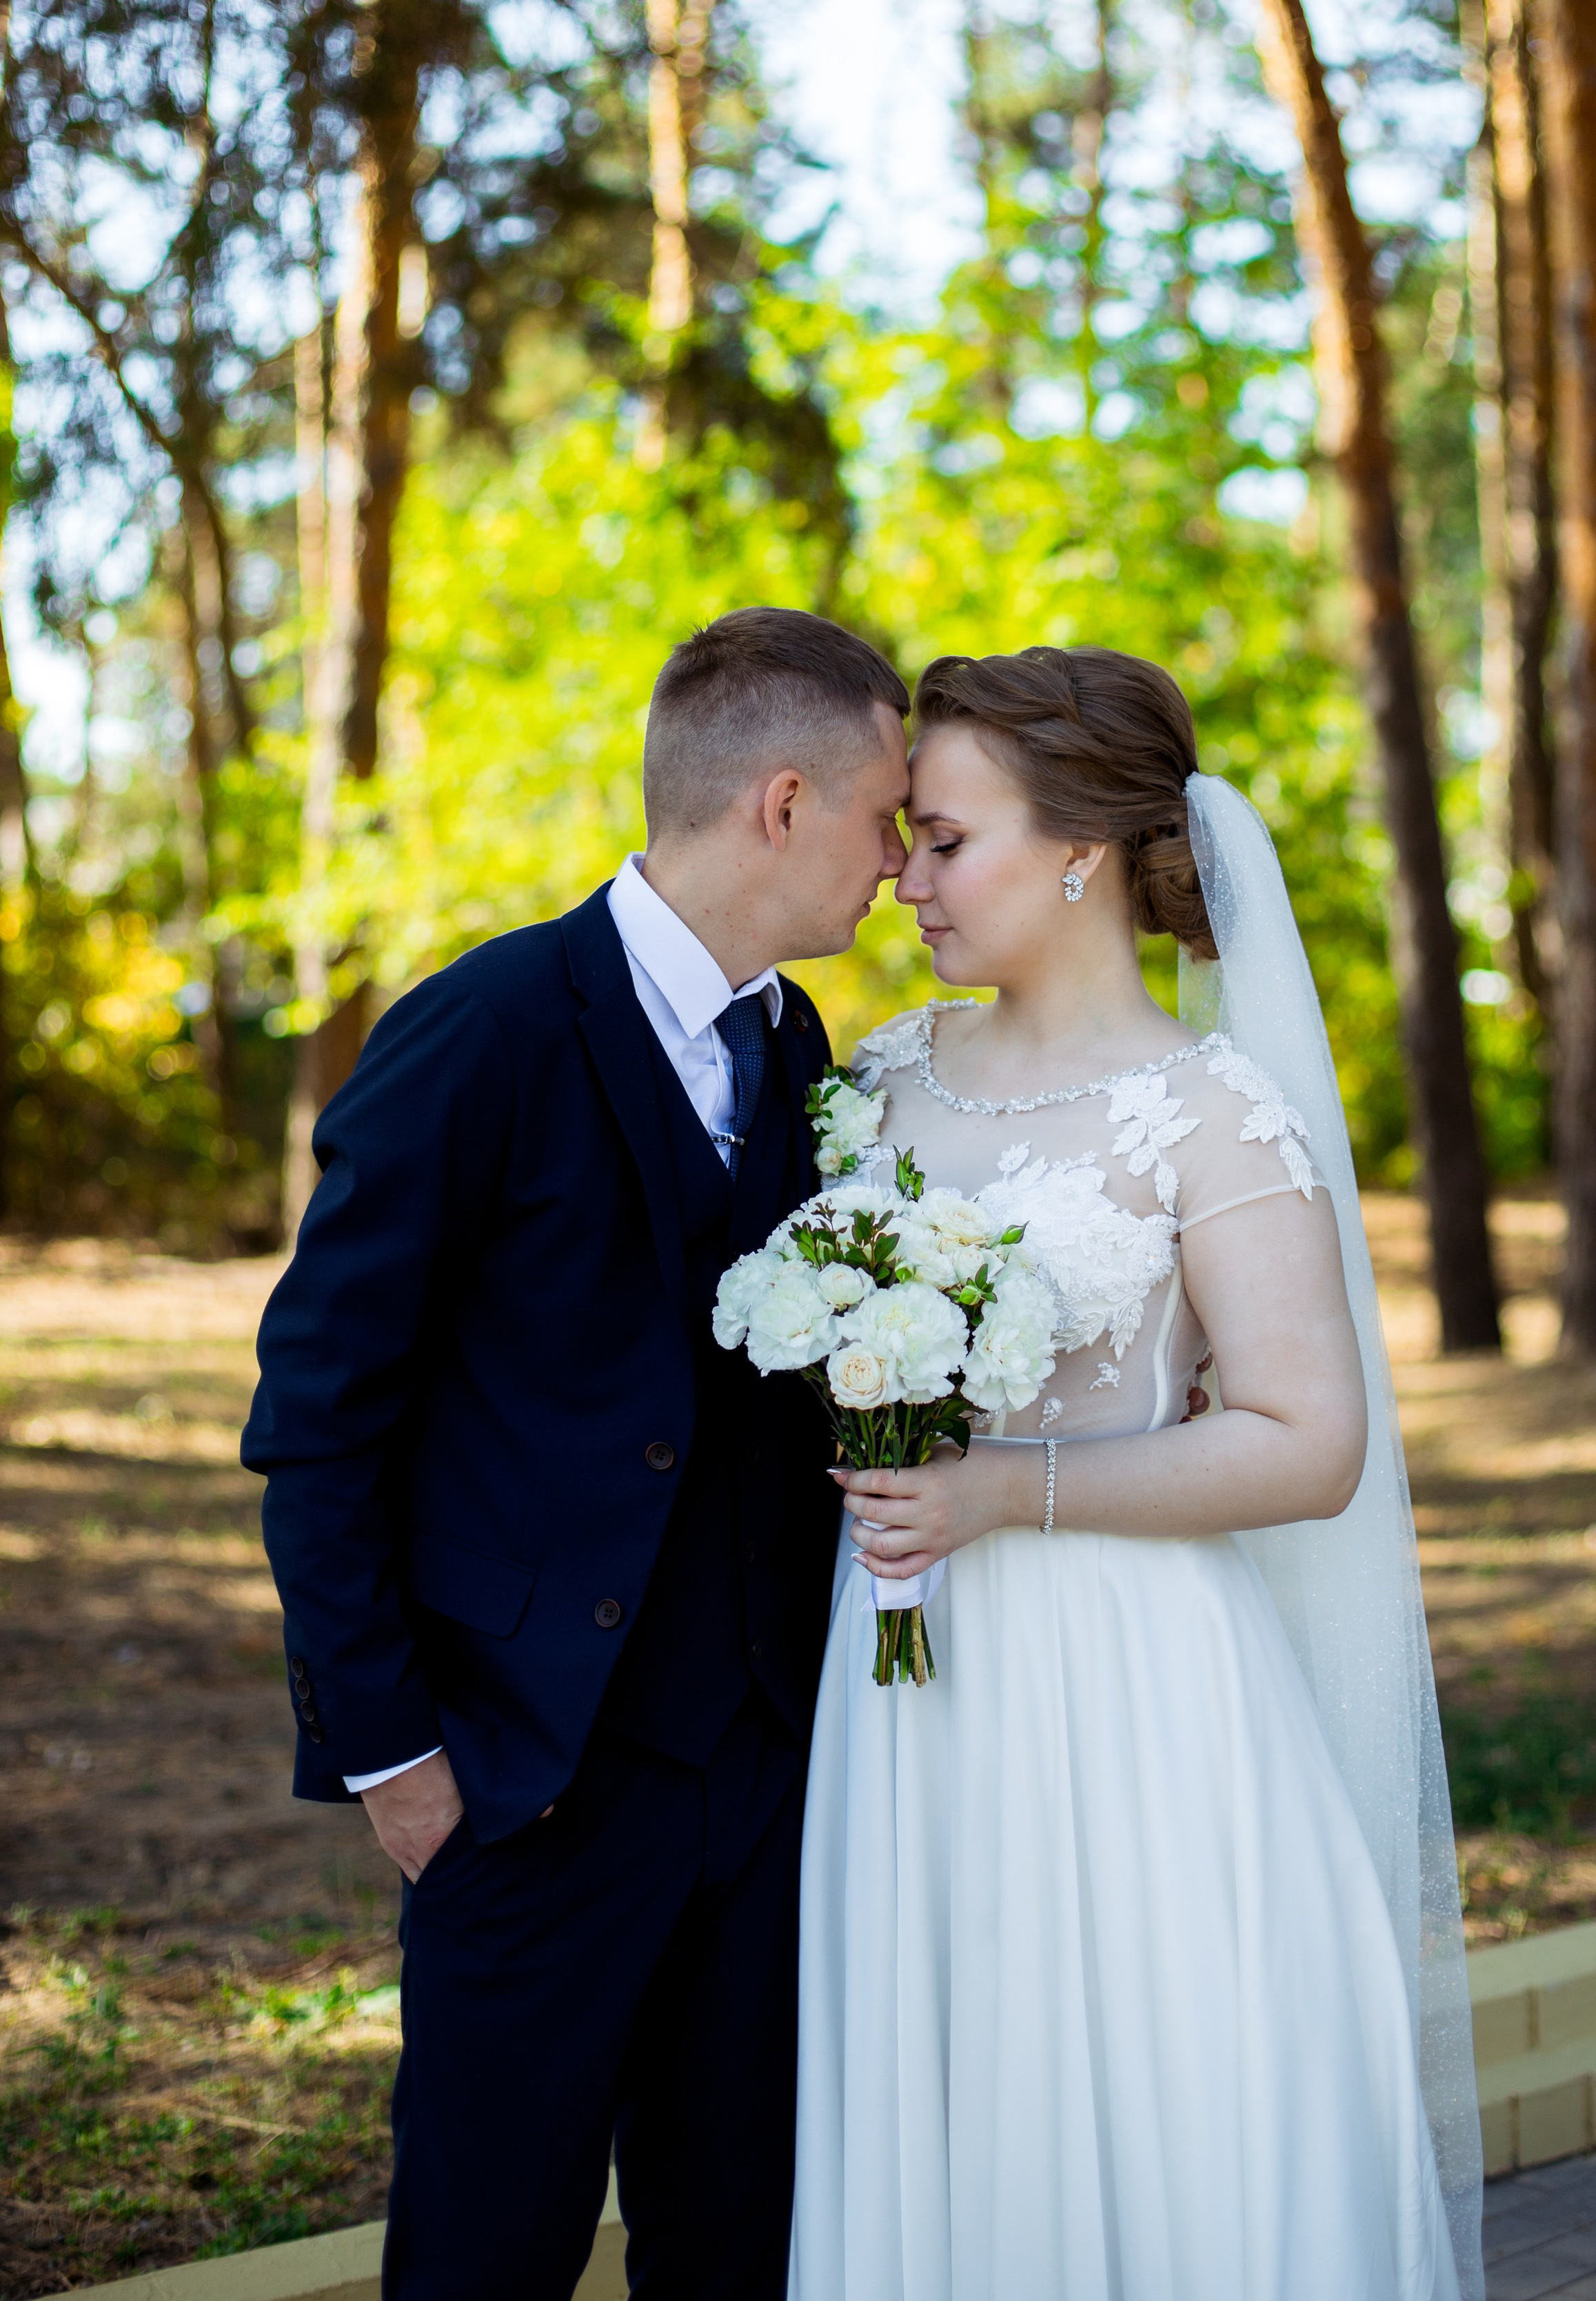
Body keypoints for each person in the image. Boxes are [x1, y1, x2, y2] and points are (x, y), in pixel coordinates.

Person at [787, 645, 1484, 2301]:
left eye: (946, 840)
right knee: (943, 2074)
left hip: (1131, 1686)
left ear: (1081, 852)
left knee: (1141, 2083)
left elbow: (1308, 1443)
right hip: (903, 1679)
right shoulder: (876, 1076)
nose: (905, 880)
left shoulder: (1209, 1114)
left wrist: (1004, 1494)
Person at [243, 607, 911, 2301]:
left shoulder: (794, 1049)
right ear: (780, 802)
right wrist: (392, 1754)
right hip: (518, 1785)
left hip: (758, 1786)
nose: (897, 863)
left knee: (737, 2248)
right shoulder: (479, 1031)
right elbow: (317, 1419)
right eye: (882, 814)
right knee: (486, 2254)